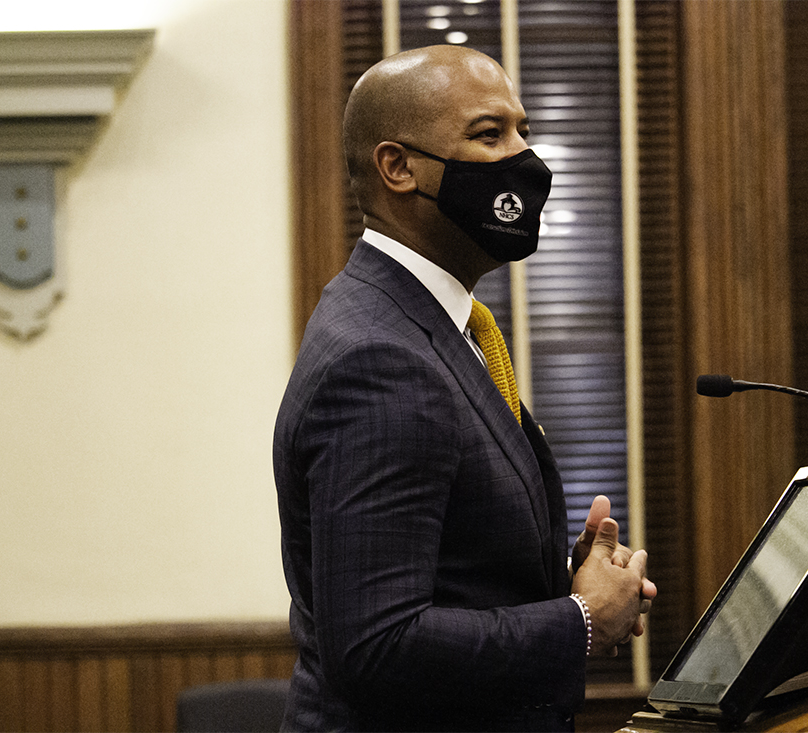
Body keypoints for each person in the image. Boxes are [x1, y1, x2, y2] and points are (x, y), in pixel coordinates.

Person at [274, 44, 655, 732]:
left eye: (523, 131)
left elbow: (449, 570)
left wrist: (560, 579)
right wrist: (582, 619)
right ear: (397, 166)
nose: (525, 159)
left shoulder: (437, 325)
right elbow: (378, 645)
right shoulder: (381, 357)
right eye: (489, 134)